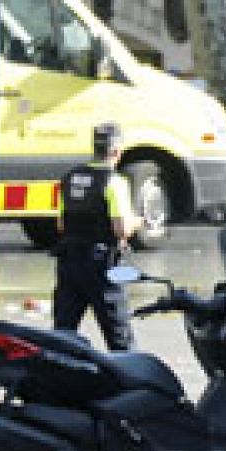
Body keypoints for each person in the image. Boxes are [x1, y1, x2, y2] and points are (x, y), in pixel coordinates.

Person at [52, 122, 142, 351]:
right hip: (101, 267)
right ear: (117, 151)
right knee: (120, 338)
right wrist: (138, 221)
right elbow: (121, 229)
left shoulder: (69, 178)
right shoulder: (114, 181)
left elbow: (61, 224)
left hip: (69, 263)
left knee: (63, 334)